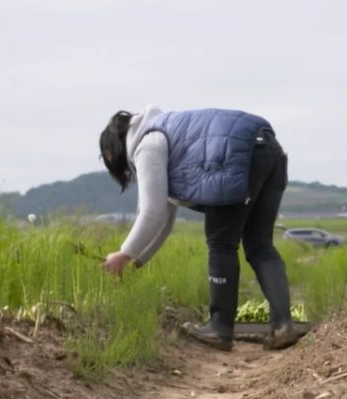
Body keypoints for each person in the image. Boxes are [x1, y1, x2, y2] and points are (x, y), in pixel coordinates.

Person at [98, 105, 301, 352]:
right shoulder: (165, 132)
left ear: (112, 152)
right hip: (269, 150)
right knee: (260, 246)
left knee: (221, 243)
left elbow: (152, 213)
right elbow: (165, 215)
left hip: (232, 156)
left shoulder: (147, 144)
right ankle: (283, 326)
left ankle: (220, 328)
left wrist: (123, 254)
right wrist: (138, 259)